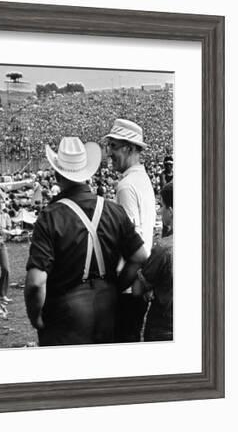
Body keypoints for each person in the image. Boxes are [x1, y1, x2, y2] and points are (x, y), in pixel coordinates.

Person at [24, 137, 148, 346]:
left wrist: (35, 317)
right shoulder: (113, 210)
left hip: (65, 315)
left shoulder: (50, 216)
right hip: (107, 309)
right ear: (86, 173)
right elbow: (140, 256)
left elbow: (36, 282)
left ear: (57, 174)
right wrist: (117, 286)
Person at [104, 118, 157, 342]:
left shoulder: (126, 186)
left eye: (113, 146)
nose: (109, 153)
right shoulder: (141, 179)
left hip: (128, 284)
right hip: (140, 280)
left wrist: (117, 287)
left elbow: (131, 243)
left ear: (128, 147)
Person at [132, 182, 173, 341]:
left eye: (161, 205)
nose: (159, 210)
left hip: (162, 327)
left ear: (171, 211)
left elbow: (137, 289)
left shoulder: (163, 248)